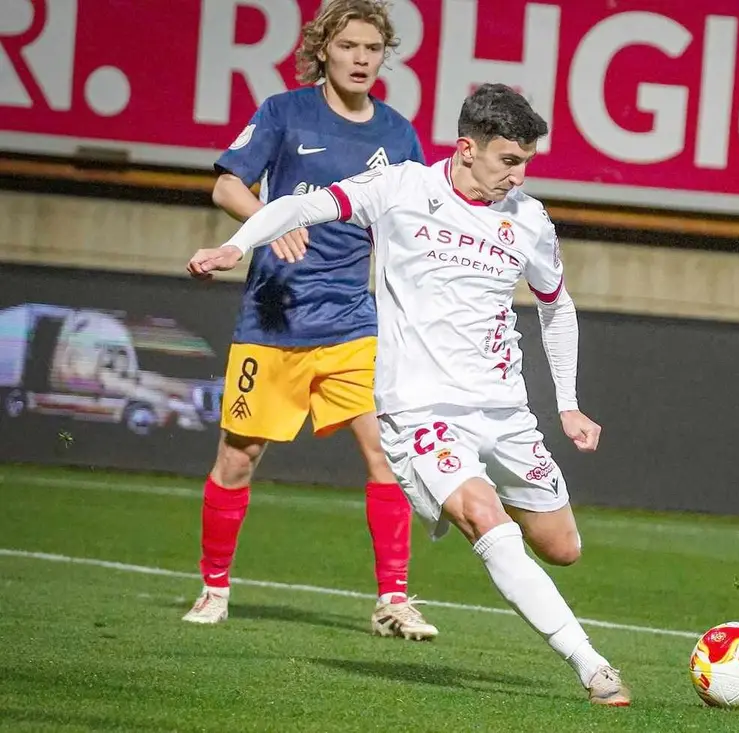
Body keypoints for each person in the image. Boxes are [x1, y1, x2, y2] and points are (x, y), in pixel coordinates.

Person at [187, 83, 631, 705]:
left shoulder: (528, 219)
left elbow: (558, 307)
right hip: (420, 411)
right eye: (509, 160)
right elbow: (297, 207)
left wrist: (568, 402)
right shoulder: (401, 188)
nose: (519, 174)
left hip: (504, 411)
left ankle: (530, 541)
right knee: (484, 518)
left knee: (563, 549)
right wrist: (238, 244)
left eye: (527, 161)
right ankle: (592, 666)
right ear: (466, 148)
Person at [181, 0, 437, 641]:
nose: (359, 58)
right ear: (323, 49)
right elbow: (225, 186)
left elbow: (404, 224)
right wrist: (270, 220)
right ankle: (214, 588)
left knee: (387, 454)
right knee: (238, 460)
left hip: (353, 321)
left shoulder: (399, 135)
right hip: (275, 319)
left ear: (383, 58)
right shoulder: (283, 112)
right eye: (347, 45)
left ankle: (394, 599)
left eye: (372, 49)